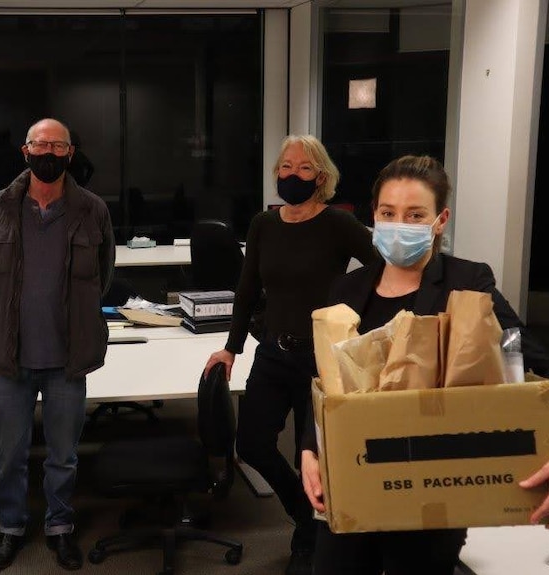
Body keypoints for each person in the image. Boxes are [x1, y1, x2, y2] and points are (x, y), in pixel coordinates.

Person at [300, 155, 549, 575]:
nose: (400, 224)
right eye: (388, 213)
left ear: (440, 219)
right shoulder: (348, 287)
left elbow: (523, 355)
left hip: (431, 479)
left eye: (415, 215)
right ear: (374, 217)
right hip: (355, 472)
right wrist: (310, 447)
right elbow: (325, 378)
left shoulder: (467, 282)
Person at [204, 134, 379, 575]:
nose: (292, 174)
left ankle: (310, 540)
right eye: (285, 167)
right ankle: (306, 517)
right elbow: (246, 292)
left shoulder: (338, 224)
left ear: (321, 177)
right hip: (273, 354)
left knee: (316, 459)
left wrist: (356, 318)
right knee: (252, 445)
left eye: (303, 168)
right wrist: (231, 347)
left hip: (322, 359)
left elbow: (380, 270)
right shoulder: (265, 224)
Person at [0, 118, 115, 571]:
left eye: (58, 145)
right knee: (8, 457)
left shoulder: (92, 209)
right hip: (9, 361)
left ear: (71, 153)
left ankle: (60, 527)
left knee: (63, 457)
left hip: (67, 361)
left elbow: (103, 274)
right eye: (41, 144)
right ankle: (11, 527)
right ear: (25, 150)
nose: (49, 153)